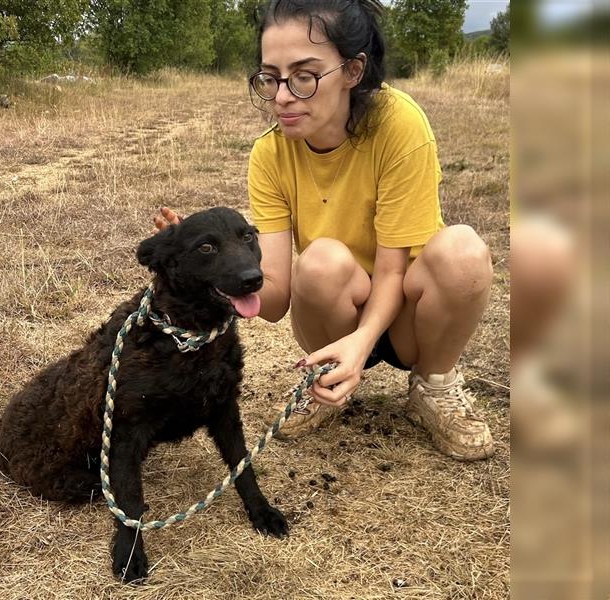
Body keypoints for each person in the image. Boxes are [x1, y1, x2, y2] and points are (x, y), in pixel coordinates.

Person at [155, 0, 495, 461]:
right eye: (270, 77)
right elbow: (271, 302)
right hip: (337, 316)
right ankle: (330, 376)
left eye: (304, 75)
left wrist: (363, 343)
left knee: (463, 251)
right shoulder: (270, 155)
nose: (282, 96)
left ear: (354, 70)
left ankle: (434, 387)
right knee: (320, 260)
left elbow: (393, 272)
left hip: (409, 322)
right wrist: (199, 258)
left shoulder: (399, 124)